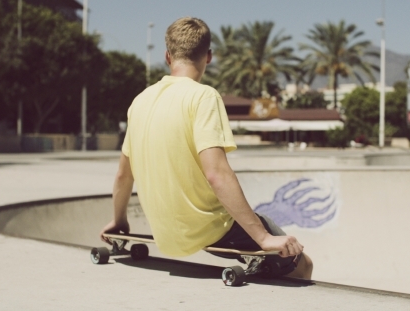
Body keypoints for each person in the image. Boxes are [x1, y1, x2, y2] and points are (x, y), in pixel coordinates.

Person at [100, 17, 313, 279]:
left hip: (167, 233)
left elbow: (123, 175)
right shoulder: (203, 97)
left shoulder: (140, 101)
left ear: (168, 56)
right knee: (303, 266)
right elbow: (217, 174)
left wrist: (119, 221)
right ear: (208, 56)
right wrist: (262, 237)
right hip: (211, 228)